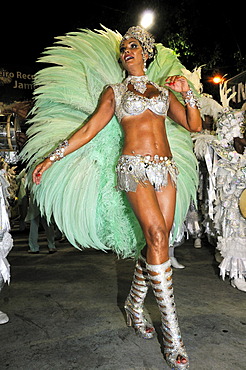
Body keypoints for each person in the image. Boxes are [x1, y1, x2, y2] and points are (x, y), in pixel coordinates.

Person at [29, 26, 201, 369]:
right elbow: (90, 128)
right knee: (155, 235)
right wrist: (53, 156)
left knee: (159, 244)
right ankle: (173, 335)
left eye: (133, 46)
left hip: (166, 170)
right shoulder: (115, 91)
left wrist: (189, 91)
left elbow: (194, 125)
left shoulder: (164, 93)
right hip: (133, 168)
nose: (126, 51)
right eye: (123, 48)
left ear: (146, 53)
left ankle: (134, 306)